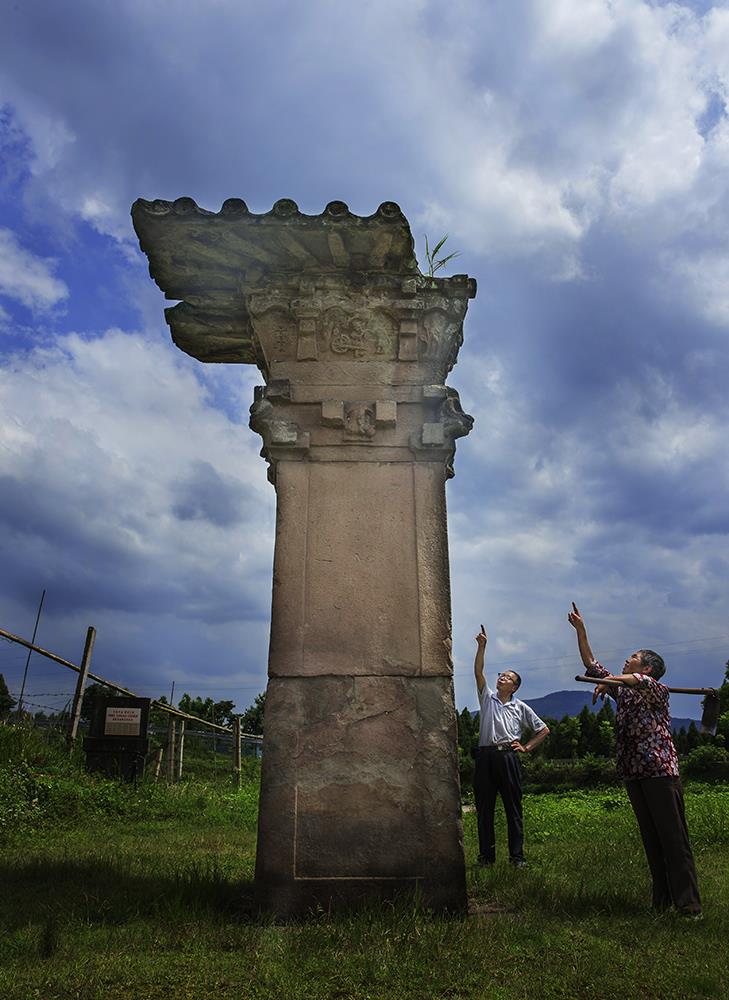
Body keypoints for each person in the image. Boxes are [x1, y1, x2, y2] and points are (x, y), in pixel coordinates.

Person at [567, 602, 701, 917]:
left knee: (673, 838)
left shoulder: (656, 689)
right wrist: (581, 630)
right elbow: (591, 663)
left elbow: (635, 682)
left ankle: (689, 905)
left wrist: (611, 680)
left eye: (633, 657)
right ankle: (662, 901)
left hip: (659, 771)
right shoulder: (623, 690)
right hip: (634, 772)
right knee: (651, 839)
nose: (627, 660)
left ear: (647, 667)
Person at [473, 626, 549, 866]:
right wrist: (482, 646)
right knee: (484, 809)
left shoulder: (520, 707)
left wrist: (526, 747)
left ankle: (517, 857)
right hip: (485, 758)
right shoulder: (487, 697)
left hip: (508, 758)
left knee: (513, 808)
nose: (501, 678)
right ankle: (487, 857)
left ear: (514, 687)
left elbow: (543, 729)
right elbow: (478, 672)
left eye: (507, 678)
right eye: (501, 676)